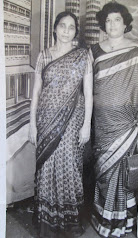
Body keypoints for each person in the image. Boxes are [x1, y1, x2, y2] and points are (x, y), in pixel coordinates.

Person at [90, 2, 138, 238]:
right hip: (102, 122)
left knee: (125, 172)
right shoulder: (93, 51)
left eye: (117, 20)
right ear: (104, 24)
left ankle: (126, 221)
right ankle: (106, 220)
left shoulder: (136, 52)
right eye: (108, 20)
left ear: (125, 24)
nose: (112, 25)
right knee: (104, 170)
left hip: (128, 123)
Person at [29, 11, 93, 238]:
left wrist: (86, 124)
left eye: (71, 27)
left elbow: (89, 93)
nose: (66, 31)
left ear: (76, 32)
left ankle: (68, 222)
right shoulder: (44, 56)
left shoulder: (83, 55)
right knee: (47, 168)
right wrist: (32, 124)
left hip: (72, 120)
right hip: (46, 119)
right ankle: (48, 222)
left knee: (69, 167)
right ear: (55, 29)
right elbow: (36, 92)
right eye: (62, 26)